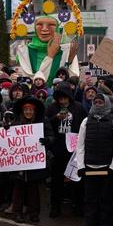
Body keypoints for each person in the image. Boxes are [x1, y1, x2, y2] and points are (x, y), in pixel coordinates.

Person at [76, 93, 113, 226]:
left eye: (100, 102)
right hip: (89, 167)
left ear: (106, 103)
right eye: (95, 102)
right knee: (90, 198)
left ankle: (106, 224)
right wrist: (81, 166)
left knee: (106, 197)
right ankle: (90, 224)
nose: (97, 104)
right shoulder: (86, 121)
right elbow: (80, 145)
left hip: (107, 167)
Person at [8, 97, 52, 223]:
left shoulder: (42, 122)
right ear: (22, 111)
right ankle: (17, 213)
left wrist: (47, 140)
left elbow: (51, 136)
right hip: (19, 163)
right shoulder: (16, 123)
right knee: (18, 188)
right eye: (26, 109)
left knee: (34, 189)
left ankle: (34, 213)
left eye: (31, 110)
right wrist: (6, 130)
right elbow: (8, 139)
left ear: (35, 111)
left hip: (35, 161)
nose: (28, 112)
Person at [46, 83, 86, 217]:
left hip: (74, 150)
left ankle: (78, 206)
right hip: (58, 149)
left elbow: (84, 125)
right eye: (60, 98)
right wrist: (55, 118)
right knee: (56, 180)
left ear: (69, 97)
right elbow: (46, 124)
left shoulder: (78, 108)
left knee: (76, 178)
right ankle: (55, 207)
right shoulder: (52, 108)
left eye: (65, 98)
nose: (62, 101)